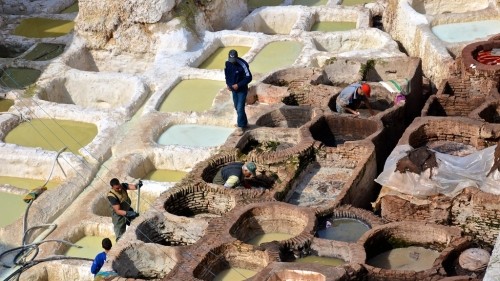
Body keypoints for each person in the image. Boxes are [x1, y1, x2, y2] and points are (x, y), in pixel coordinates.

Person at [224, 49, 253, 136]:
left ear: (237, 58)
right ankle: (244, 123)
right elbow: (227, 75)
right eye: (231, 60)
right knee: (237, 107)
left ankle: (240, 127)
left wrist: (238, 85)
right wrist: (228, 84)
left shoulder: (243, 64)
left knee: (240, 107)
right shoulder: (228, 63)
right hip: (233, 89)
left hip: (242, 89)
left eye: (233, 60)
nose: (232, 62)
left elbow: (249, 77)